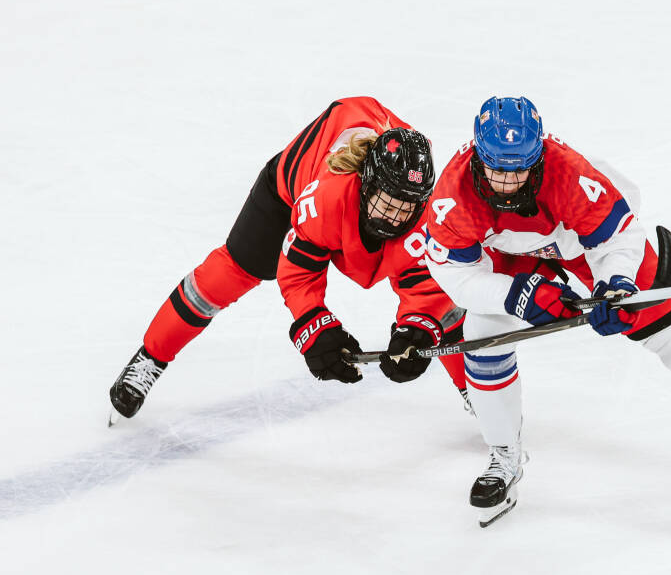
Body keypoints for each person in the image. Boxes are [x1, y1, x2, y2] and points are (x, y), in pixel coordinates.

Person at [424, 96, 671, 527]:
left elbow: (617, 236)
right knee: (482, 335)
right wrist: (515, 295)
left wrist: (617, 283)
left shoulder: (570, 173)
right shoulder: (453, 196)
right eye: (496, 171)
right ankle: (504, 455)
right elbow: (455, 273)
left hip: (581, 240)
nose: (506, 182)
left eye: (518, 170)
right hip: (505, 249)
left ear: (538, 157)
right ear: (477, 157)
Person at [109, 97, 468, 426]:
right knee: (228, 274)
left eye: (406, 207)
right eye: (387, 204)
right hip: (285, 192)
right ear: (365, 183)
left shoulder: (424, 214)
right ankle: (150, 356)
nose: (394, 218)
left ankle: (477, 392)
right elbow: (297, 272)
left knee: (448, 300)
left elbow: (429, 287)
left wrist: (418, 327)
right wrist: (315, 325)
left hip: (359, 166)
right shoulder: (328, 198)